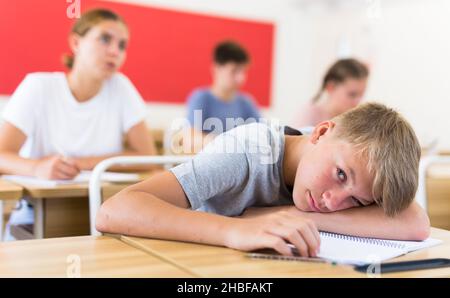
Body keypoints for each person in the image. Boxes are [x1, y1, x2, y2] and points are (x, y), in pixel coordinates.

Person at [96, 103, 430, 257]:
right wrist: (236, 229)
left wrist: (296, 218)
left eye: (356, 201)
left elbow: (416, 223)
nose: (333, 201)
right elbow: (114, 211)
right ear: (322, 132)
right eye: (341, 175)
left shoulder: (333, 167)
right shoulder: (249, 151)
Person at [0, 9, 157, 240]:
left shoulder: (121, 87)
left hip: (103, 215)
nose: (115, 51)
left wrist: (81, 163)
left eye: (122, 45)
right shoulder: (38, 87)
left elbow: (146, 155)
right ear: (76, 42)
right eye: (105, 39)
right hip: (35, 219)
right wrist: (37, 168)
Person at [181, 40, 261, 154]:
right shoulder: (201, 98)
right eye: (234, 71)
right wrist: (230, 144)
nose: (241, 78)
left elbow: (262, 137)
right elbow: (190, 141)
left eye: (243, 71)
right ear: (216, 68)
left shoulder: (247, 103)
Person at [292, 58, 369, 128]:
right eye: (352, 94)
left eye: (361, 94)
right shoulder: (309, 115)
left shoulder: (353, 122)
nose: (358, 101)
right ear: (330, 87)